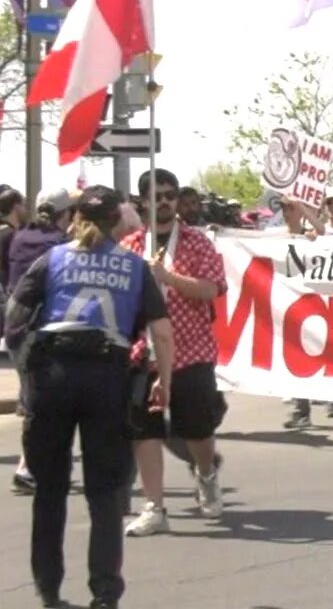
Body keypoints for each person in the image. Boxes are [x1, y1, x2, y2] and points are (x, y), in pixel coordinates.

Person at [5, 185, 174, 609]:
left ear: (75, 217)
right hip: (107, 376)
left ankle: (49, 591)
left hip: (54, 375)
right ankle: (104, 594)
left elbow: (14, 317)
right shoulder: (134, 266)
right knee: (104, 494)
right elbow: (163, 333)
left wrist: (28, 373)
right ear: (118, 221)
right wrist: (163, 381)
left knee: (50, 491)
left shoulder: (53, 259)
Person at [120, 169, 229, 537]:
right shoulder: (132, 245)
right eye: (157, 195)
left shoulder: (197, 243)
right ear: (143, 201)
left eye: (170, 194)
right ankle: (154, 506)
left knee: (197, 428)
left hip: (190, 350)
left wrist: (168, 278)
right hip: (143, 352)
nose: (165, 201)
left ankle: (206, 473)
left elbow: (212, 289)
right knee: (144, 428)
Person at [7, 188, 76, 495]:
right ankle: (27, 468)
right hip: (42, 333)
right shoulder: (60, 246)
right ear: (66, 215)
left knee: (34, 401)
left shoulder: (20, 238)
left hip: (15, 329)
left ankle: (30, 466)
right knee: (41, 406)